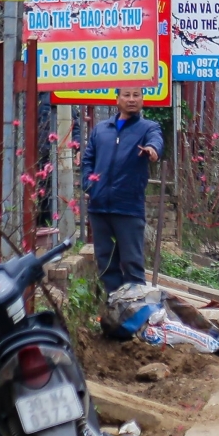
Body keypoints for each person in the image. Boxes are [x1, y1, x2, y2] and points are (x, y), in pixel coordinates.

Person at [81, 87, 166, 294]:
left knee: (132, 264)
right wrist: (89, 186)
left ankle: (135, 314)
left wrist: (153, 150)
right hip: (99, 208)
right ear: (117, 99)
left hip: (128, 208)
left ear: (142, 100)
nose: (131, 100)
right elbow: (87, 160)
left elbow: (157, 141)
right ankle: (114, 312)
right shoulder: (101, 129)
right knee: (106, 265)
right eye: (126, 95)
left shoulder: (147, 128)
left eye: (136, 95)